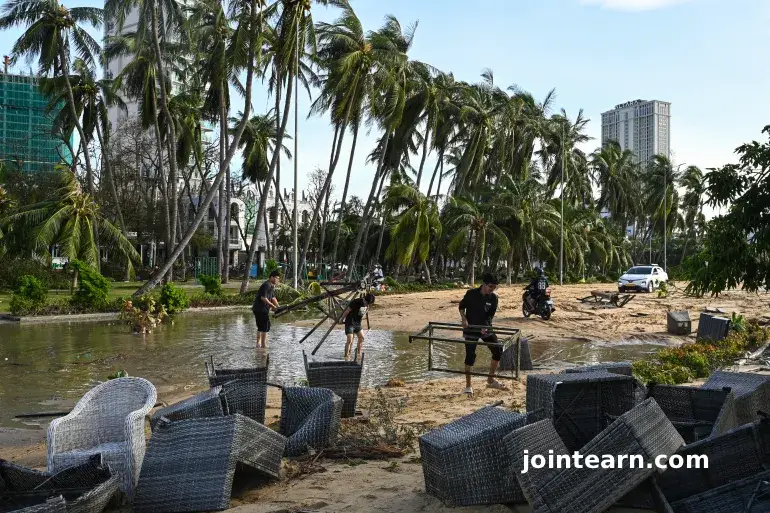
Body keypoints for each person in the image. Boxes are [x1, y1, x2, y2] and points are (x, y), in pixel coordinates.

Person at [458, 273, 508, 395]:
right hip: (471, 328)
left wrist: (485, 327)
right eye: (490, 286)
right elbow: (461, 307)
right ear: (484, 284)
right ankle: (468, 386)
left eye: (494, 287)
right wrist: (464, 319)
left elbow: (490, 316)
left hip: (485, 327)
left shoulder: (493, 298)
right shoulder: (471, 294)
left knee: (498, 350)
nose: (492, 289)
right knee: (470, 356)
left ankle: (490, 379)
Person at [341, 293, 375, 361]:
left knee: (361, 338)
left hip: (357, 324)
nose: (367, 305)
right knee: (350, 340)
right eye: (366, 303)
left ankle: (358, 354)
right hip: (350, 323)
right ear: (364, 299)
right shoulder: (356, 302)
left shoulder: (367, 305)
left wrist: (366, 308)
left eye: (368, 304)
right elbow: (347, 311)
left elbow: (363, 313)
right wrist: (341, 319)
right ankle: (346, 356)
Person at [252, 270, 280, 348]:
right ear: (271, 277)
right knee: (265, 326)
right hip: (260, 309)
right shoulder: (266, 285)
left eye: (278, 278)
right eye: (276, 278)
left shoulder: (271, 286)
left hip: (259, 309)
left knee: (261, 327)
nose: (277, 280)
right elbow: (263, 298)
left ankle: (258, 344)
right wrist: (272, 306)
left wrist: (278, 306)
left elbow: (273, 297)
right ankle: (264, 345)